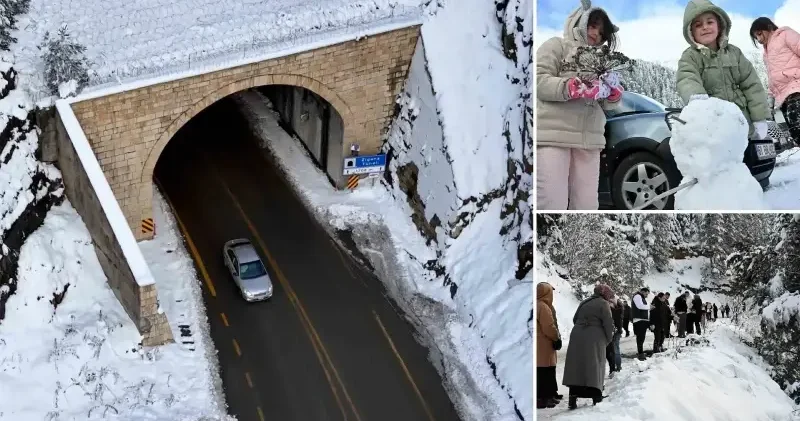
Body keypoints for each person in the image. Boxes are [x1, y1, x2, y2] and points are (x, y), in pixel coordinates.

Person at [536, 0, 624, 210]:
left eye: (602, 33)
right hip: (554, 136)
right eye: (593, 26)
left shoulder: (602, 60)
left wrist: (613, 95)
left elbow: (608, 105)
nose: (596, 34)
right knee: (551, 201)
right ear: (579, 21)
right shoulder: (557, 45)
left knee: (587, 206)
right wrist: (572, 87)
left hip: (589, 140)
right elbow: (538, 80)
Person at [676, 0, 770, 142]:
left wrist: (759, 118)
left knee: (749, 163)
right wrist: (697, 99)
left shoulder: (734, 53)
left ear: (719, 25)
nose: (705, 27)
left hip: (743, 123)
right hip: (715, 128)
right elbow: (687, 77)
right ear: (690, 31)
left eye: (710, 22)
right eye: (698, 25)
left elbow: (751, 85)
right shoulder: (690, 57)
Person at [563, 284, 615, 409]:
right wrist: (608, 339)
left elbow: (575, 319)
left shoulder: (584, 302)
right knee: (594, 365)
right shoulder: (603, 304)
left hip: (577, 335)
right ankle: (596, 396)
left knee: (577, 365)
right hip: (594, 337)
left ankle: (573, 398)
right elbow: (608, 324)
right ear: (605, 294)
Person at [750, 17, 800, 145]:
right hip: (783, 97)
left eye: (760, 34)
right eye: (756, 37)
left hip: (797, 87)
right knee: (796, 133)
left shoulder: (785, 35)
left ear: (769, 27)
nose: (759, 40)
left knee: (797, 123)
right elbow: (772, 80)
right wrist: (770, 104)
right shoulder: (766, 54)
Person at [537, 282, 562, 409]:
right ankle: (544, 398)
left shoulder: (539, 305)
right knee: (545, 371)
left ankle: (547, 396)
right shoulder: (543, 307)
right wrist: (556, 337)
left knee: (543, 371)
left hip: (540, 344)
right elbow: (549, 327)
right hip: (544, 343)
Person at [631, 286, 651, 361]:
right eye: (646, 293)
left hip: (642, 319)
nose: (647, 295)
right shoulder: (637, 296)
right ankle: (640, 353)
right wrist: (649, 306)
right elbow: (640, 306)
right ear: (643, 291)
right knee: (640, 337)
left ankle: (641, 351)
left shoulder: (640, 297)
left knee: (642, 337)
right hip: (639, 320)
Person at [606, 297, 623, 377]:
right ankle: (618, 366)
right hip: (617, 331)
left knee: (614, 349)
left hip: (614, 332)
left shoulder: (614, 310)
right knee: (615, 349)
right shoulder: (619, 309)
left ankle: (617, 367)